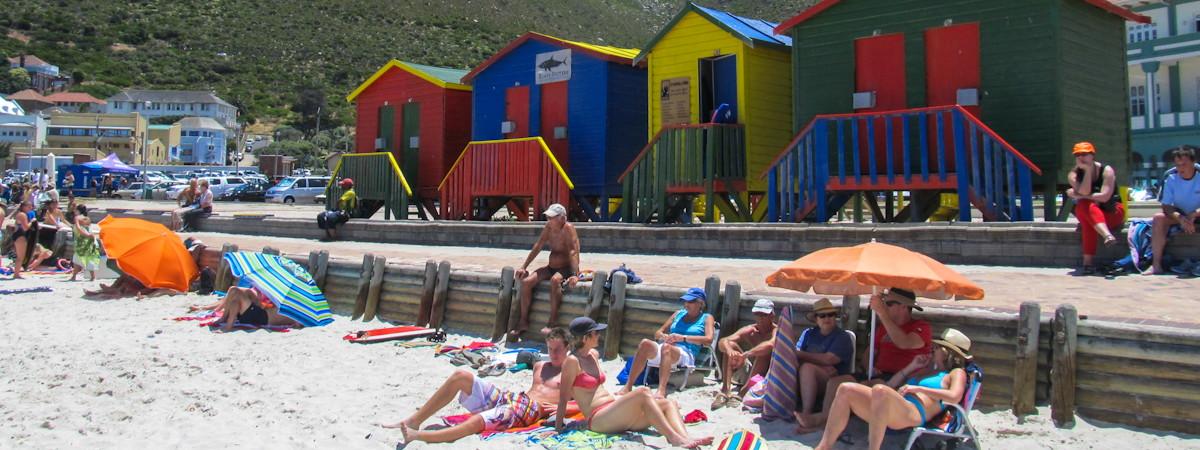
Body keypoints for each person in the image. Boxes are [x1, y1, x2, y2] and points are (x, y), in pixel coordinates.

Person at [381, 328, 573, 444]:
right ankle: (414, 420)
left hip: (530, 410)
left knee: (479, 421)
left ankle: (419, 436)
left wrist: (560, 408)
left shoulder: (572, 373)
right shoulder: (539, 365)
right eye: (550, 349)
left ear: (568, 348)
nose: (554, 353)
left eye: (558, 349)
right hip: (514, 398)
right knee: (460, 376)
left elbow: (590, 403)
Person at [558, 317, 713, 449]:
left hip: (615, 413)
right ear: (585, 338)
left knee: (668, 403)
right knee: (643, 392)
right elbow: (563, 397)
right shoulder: (572, 361)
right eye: (596, 333)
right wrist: (559, 427)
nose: (599, 336)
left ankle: (685, 438)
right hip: (598, 419)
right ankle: (674, 438)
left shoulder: (593, 355)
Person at [813, 329, 973, 450]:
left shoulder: (955, 373)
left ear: (946, 353)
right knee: (845, 389)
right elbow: (890, 386)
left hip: (913, 412)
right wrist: (912, 367)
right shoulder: (927, 370)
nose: (932, 349)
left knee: (880, 390)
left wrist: (917, 388)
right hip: (893, 406)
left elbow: (954, 396)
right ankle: (824, 446)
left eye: (936, 347)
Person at [806, 288, 932, 429]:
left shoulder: (921, 327)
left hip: (902, 378)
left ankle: (822, 420)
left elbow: (904, 343)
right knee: (836, 382)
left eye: (888, 304)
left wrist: (882, 314)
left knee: (871, 385)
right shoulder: (883, 328)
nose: (884, 306)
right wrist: (868, 366)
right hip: (877, 373)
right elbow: (869, 353)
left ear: (903, 306)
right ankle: (824, 418)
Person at [619, 287, 715, 399]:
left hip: (686, 353)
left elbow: (709, 339)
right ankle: (628, 386)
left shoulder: (706, 318)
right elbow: (658, 333)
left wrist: (683, 338)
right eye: (686, 301)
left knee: (666, 348)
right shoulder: (678, 314)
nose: (686, 304)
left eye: (691, 301)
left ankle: (661, 390)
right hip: (667, 347)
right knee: (645, 343)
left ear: (700, 303)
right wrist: (664, 336)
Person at [509, 203, 580, 339]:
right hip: (550, 267)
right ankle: (523, 321)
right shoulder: (548, 227)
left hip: (565, 268)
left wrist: (574, 274)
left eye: (552, 217)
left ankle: (552, 322)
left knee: (555, 281)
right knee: (526, 282)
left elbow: (573, 251)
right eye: (548, 217)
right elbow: (538, 246)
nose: (549, 220)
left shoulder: (568, 228)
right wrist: (524, 266)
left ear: (562, 218)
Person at [792, 298, 856, 433]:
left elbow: (830, 359)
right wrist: (818, 362)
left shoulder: (842, 337)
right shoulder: (808, 334)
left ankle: (806, 413)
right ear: (816, 319)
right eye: (822, 315)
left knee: (807, 368)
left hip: (832, 381)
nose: (827, 318)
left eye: (831, 315)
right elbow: (794, 355)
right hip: (810, 377)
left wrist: (804, 356)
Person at [1066, 142, 1122, 274]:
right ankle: (1107, 235)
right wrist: (1087, 172)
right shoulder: (1073, 175)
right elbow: (1086, 192)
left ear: (1093, 155)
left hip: (1112, 211)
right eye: (1078, 155)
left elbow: (1105, 197)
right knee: (1084, 207)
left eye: (1085, 154)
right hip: (1093, 215)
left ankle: (1087, 263)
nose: (1081, 158)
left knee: (1084, 207)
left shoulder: (1106, 170)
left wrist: (1079, 195)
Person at [712, 298, 776, 409]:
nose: (760, 318)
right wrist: (730, 350)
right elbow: (723, 342)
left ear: (771, 315)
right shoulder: (750, 330)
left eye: (764, 315)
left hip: (769, 373)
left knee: (763, 352)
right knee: (730, 346)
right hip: (751, 370)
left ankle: (742, 393)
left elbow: (770, 345)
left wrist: (747, 354)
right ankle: (725, 390)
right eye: (757, 314)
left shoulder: (776, 330)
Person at [1150, 147, 1200, 274]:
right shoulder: (1170, 176)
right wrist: (1180, 218)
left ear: (1194, 162)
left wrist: (1194, 214)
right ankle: (1156, 265)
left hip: (1198, 212)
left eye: (1184, 164)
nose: (1180, 168)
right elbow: (1166, 205)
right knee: (1158, 218)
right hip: (1179, 213)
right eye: (1177, 165)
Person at [69, 205, 100, 282]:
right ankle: (93, 276)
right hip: (91, 240)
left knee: (77, 258)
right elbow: (89, 229)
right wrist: (89, 236)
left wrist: (86, 235)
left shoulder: (77, 218)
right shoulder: (88, 218)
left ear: (78, 210)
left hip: (82, 240)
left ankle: (74, 276)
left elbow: (79, 228)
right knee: (89, 258)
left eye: (75, 210)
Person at [8, 201, 35, 279]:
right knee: (20, 256)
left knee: (20, 256)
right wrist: (32, 222)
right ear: (23, 207)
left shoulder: (22, 214)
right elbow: (26, 227)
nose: (31, 208)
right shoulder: (22, 214)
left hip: (19, 235)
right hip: (20, 236)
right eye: (28, 206)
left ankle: (17, 273)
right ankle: (16, 274)